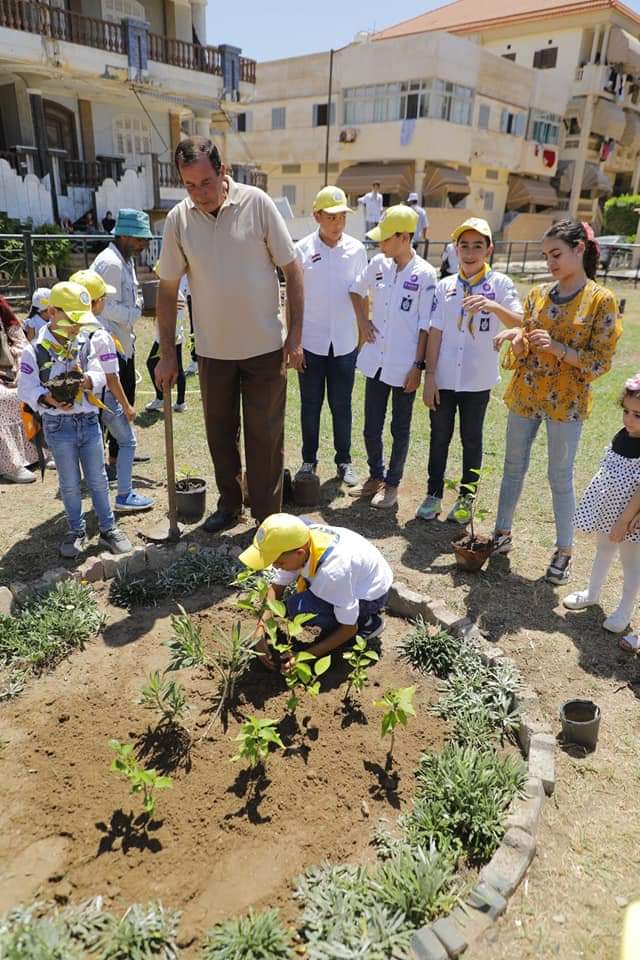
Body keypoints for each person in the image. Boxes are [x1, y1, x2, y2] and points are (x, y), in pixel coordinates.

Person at [155, 136, 304, 532]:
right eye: (189, 185)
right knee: (220, 435)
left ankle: (267, 518)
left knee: (264, 437)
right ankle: (230, 504)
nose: (199, 193)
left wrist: (295, 336)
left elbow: (293, 270)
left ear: (223, 171)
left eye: (205, 182)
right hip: (213, 351)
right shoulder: (179, 220)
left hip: (264, 349)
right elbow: (167, 290)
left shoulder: (257, 204)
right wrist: (168, 354)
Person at [493, 220, 622, 585]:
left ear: (579, 249)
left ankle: (564, 551)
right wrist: (517, 340)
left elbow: (600, 361)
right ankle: (501, 533)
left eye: (556, 254)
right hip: (526, 394)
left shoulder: (601, 300)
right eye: (546, 255)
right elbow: (526, 340)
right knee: (512, 466)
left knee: (559, 476)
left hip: (567, 402)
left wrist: (559, 349)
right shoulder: (537, 293)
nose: (550, 262)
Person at [417, 218, 523, 522]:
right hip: (445, 377)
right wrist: (430, 376)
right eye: (464, 245)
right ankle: (433, 494)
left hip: (477, 381)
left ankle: (466, 497)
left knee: (471, 438)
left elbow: (521, 321)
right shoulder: (446, 286)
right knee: (439, 436)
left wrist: (493, 306)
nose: (470, 252)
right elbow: (435, 332)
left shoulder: (500, 284)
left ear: (489, 249)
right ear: (456, 249)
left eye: (478, 246)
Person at [17, 281, 132, 558]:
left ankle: (108, 528)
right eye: (72, 321)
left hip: (89, 422)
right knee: (69, 484)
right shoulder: (35, 350)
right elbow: (25, 387)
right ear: (52, 312)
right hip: (58, 427)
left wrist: (88, 379)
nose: (76, 327)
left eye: (80, 321)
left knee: (99, 479)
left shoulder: (85, 342)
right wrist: (47, 398)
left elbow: (101, 372)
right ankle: (76, 530)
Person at [348, 205, 437, 510]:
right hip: (376, 361)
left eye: (386, 239)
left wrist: (418, 367)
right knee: (371, 426)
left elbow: (425, 325)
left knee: (400, 428)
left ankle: (393, 484)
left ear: (404, 237)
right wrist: (363, 321)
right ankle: (375, 475)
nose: (381, 244)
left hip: (404, 365)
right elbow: (356, 290)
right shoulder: (378, 264)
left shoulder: (425, 274)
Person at [239, 513, 393, 668]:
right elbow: (276, 588)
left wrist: (303, 657)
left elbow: (348, 628)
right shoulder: (299, 536)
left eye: (279, 563)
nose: (275, 567)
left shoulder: (332, 574)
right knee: (291, 606)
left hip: (370, 596)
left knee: (301, 608)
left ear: (300, 553)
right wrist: (261, 628)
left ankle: (367, 623)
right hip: (357, 576)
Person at [295, 185, 367, 488]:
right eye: (331, 217)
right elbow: (293, 299)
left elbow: (362, 294)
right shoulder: (301, 249)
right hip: (311, 342)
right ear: (317, 216)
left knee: (342, 405)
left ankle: (344, 461)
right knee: (310, 405)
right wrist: (294, 341)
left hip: (345, 343)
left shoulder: (357, 250)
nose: (338, 223)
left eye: (342, 217)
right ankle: (308, 460)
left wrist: (362, 333)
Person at [563, 375, 640, 642]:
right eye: (626, 411)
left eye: (638, 415)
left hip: (631, 518)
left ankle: (624, 611)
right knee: (603, 549)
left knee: (631, 563)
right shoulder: (623, 435)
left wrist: (625, 520)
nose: (629, 419)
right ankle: (592, 593)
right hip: (609, 508)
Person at [70, 269, 153, 513]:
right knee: (127, 441)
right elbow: (111, 377)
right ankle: (124, 495)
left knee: (90, 453)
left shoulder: (68, 331)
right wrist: (126, 406)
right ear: (95, 302)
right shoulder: (101, 333)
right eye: (104, 297)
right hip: (104, 399)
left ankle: (96, 502)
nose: (105, 301)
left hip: (79, 404)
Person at [91, 208, 152, 481]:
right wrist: (134, 313)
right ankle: (104, 461)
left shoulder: (124, 260)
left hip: (123, 342)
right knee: (110, 406)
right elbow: (102, 306)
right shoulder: (111, 264)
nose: (143, 245)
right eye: (140, 239)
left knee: (125, 395)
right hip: (109, 343)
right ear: (125, 236)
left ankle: (120, 454)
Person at [0, 296, 38, 483]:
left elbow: (19, 339)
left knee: (29, 389)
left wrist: (21, 366)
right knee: (2, 399)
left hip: (8, 370)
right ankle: (10, 464)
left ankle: (40, 452)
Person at [146, 272, 188, 413]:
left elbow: (174, 312)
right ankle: (179, 402)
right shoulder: (169, 290)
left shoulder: (172, 291)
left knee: (151, 363)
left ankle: (163, 398)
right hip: (170, 335)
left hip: (170, 336)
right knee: (177, 367)